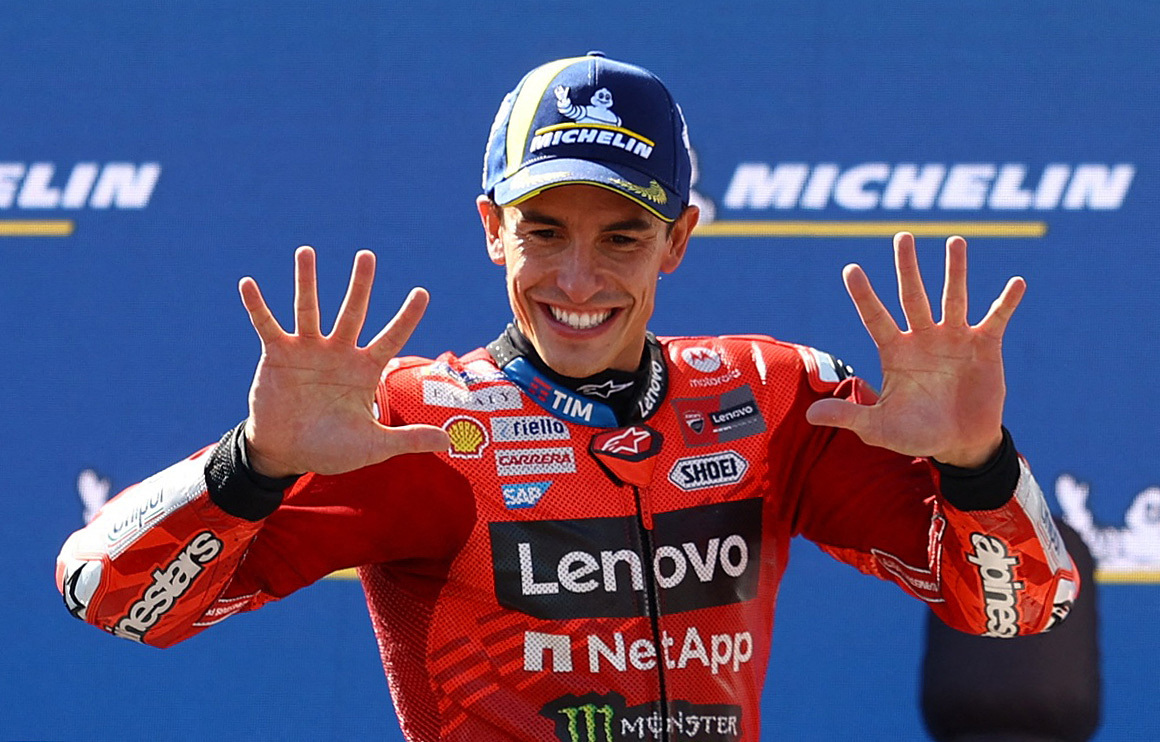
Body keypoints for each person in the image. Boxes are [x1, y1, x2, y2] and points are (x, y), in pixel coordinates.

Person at [56, 52, 1079, 742]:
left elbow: (1022, 605)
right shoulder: (411, 426)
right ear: (491, 230)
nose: (577, 279)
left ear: (676, 241)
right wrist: (252, 466)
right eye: (544, 232)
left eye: (621, 236)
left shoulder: (769, 402)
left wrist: (975, 465)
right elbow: (107, 596)